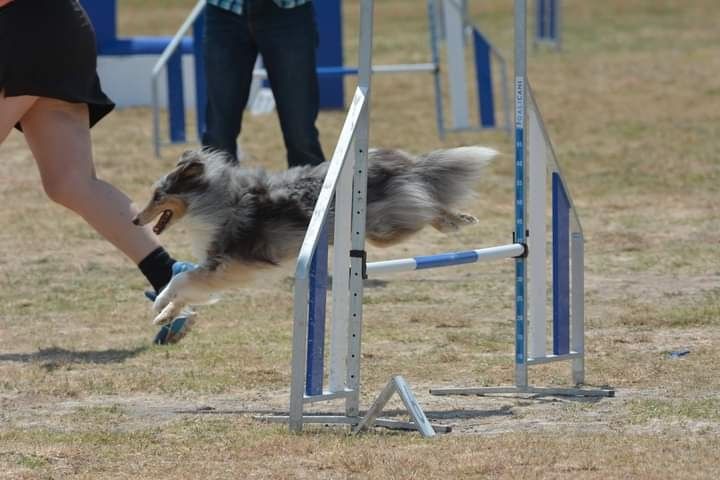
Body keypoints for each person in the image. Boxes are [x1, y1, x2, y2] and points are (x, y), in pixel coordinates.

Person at [0, 0, 192, 345]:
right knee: (70, 183)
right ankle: (168, 277)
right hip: (57, 30)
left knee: (72, 182)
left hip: (26, 31)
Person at [202, 0, 326, 167]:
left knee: (301, 135)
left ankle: (315, 193)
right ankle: (214, 193)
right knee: (218, 136)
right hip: (224, 10)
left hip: (290, 11)